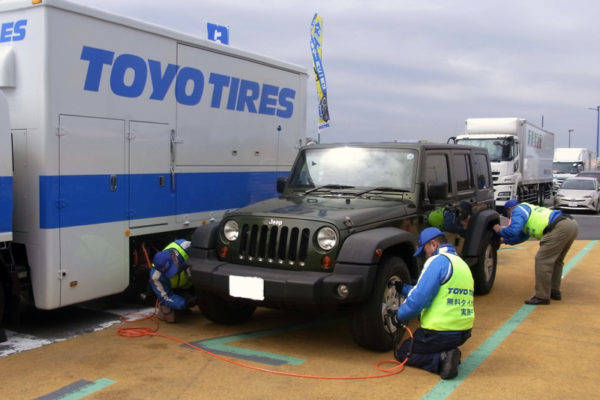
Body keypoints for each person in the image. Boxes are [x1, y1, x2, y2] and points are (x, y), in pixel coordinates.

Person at [391, 227, 474, 380]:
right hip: (463, 332)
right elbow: (435, 292)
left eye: (425, 250)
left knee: (402, 352)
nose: (425, 255)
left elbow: (419, 300)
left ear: (434, 244)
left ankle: (441, 360)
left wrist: (399, 316)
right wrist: (404, 289)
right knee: (425, 344)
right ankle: (447, 351)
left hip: (440, 332)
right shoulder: (461, 264)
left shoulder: (437, 261)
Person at [493, 199, 578, 305]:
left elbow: (513, 230)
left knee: (542, 260)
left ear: (510, 209)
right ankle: (554, 291)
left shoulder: (517, 210)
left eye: (508, 215)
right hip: (570, 224)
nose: (510, 218)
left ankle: (542, 296)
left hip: (558, 227)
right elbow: (521, 236)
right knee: (556, 261)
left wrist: (499, 230)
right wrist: (504, 241)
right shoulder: (527, 211)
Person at [149, 239, 196, 322]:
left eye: (172, 269)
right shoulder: (155, 275)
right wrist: (184, 303)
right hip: (174, 291)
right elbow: (166, 297)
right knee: (170, 316)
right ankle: (166, 311)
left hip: (193, 284)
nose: (172, 274)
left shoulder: (185, 246)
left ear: (173, 256)